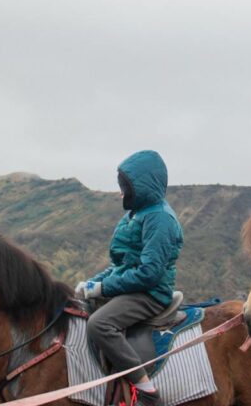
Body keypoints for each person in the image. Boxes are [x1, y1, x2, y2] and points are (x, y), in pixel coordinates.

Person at [76, 150, 183, 406]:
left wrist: (102, 287)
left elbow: (149, 273)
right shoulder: (134, 215)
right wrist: (91, 283)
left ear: (142, 186)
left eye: (125, 186)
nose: (121, 192)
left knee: (99, 324)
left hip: (150, 293)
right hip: (131, 288)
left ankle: (146, 389)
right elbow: (120, 265)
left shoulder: (160, 218)